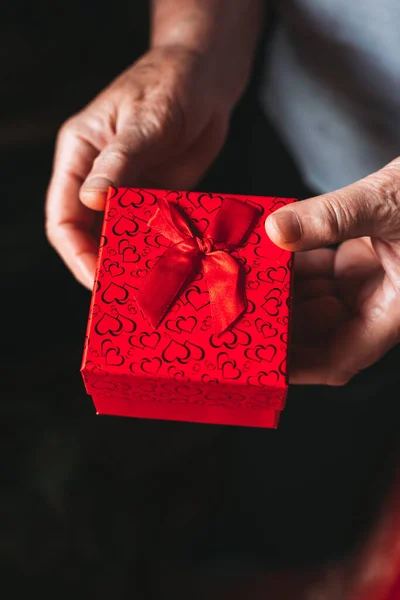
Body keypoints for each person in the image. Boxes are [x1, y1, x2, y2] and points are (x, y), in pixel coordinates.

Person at [45, 0, 400, 387]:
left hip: (339, 220)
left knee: (353, 377)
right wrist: (188, 48)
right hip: (293, 131)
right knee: (298, 353)